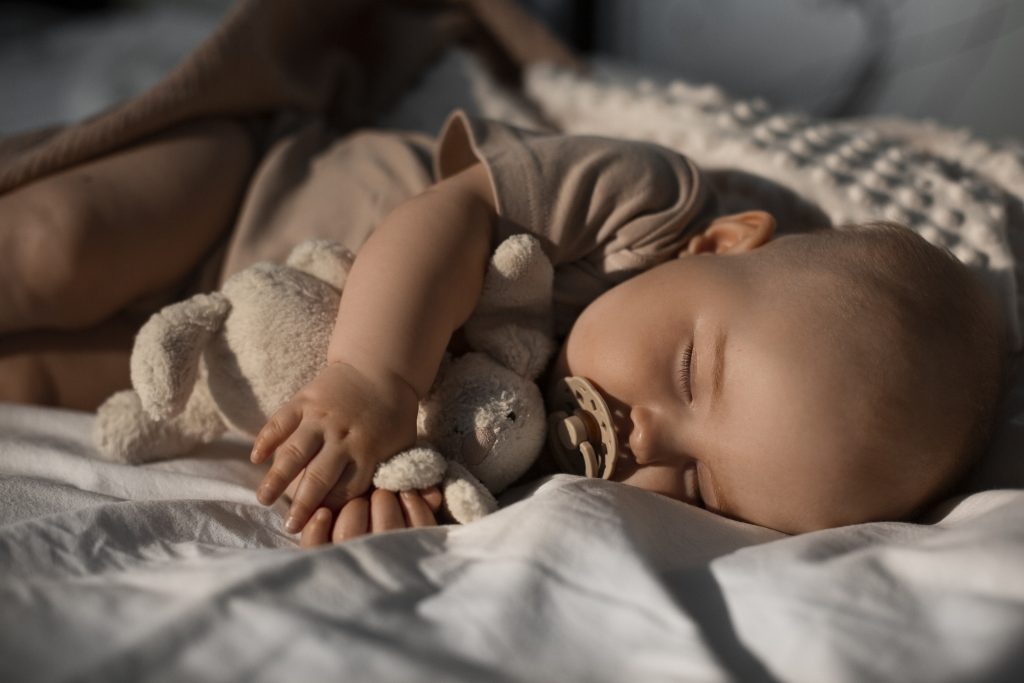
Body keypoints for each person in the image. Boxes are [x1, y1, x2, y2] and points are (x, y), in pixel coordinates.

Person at [0, 110, 1007, 546]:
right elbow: (446, 217)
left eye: (703, 485)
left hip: (221, 362)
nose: (648, 438)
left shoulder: (557, 463)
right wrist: (374, 379)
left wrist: (380, 489)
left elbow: (430, 462)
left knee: (42, 380)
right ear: (717, 248)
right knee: (51, 248)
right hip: (241, 196)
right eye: (690, 369)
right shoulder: (641, 208)